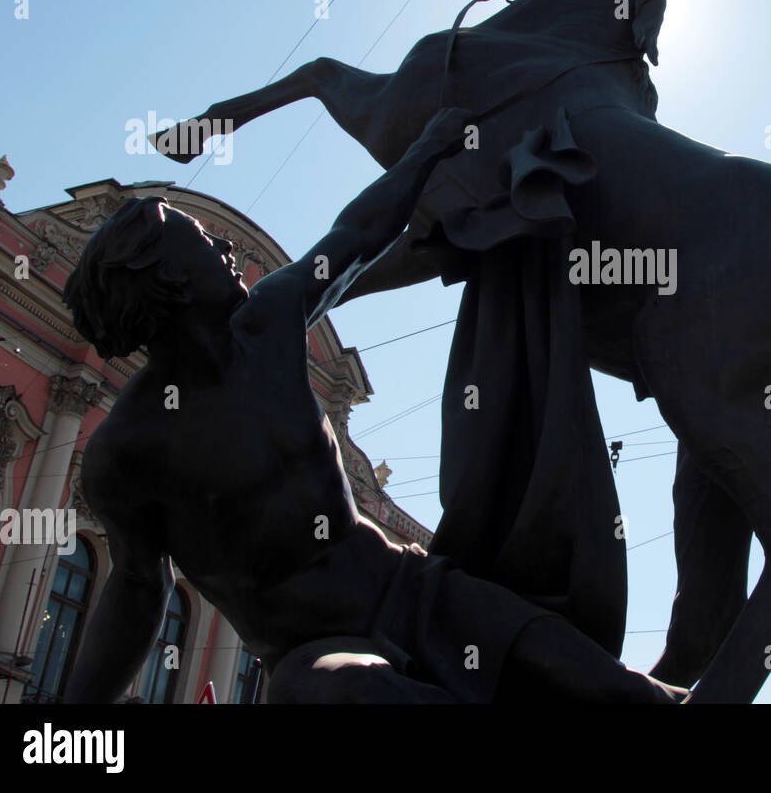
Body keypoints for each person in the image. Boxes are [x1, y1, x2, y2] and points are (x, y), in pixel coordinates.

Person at [61, 109, 682, 703]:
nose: (226, 245)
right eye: (200, 238)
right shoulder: (126, 452)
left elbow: (353, 238)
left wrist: (429, 148)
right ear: (163, 273)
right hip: (314, 651)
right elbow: (137, 590)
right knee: (362, 692)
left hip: (412, 592)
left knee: (613, 688)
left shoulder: (268, 326)